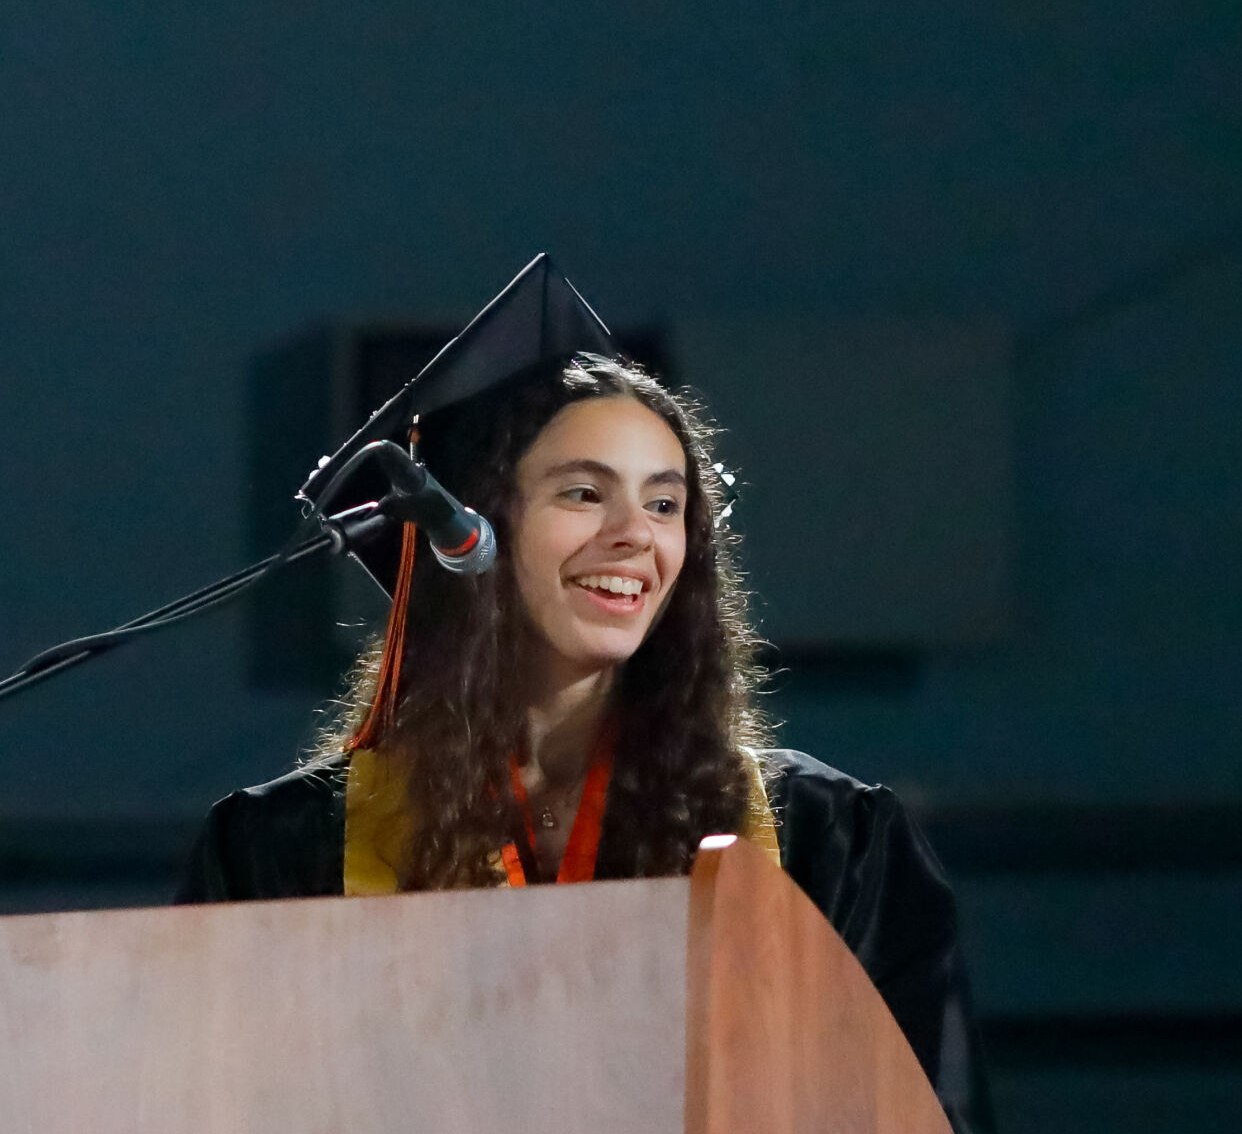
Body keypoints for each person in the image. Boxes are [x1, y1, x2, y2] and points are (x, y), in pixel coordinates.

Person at [179, 267, 992, 1131]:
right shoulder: (282, 853)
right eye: (582, 491)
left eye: (665, 502)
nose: (634, 535)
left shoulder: (832, 845)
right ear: (473, 534)